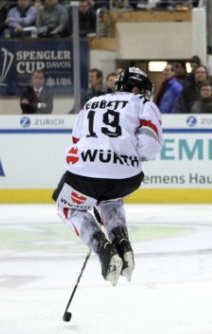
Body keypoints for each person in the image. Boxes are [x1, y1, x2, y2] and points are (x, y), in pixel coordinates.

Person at [51, 67, 163, 286]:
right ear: (136, 88)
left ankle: (101, 246)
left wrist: (97, 161)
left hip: (85, 171)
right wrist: (126, 155)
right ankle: (121, 241)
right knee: (110, 199)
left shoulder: (91, 103)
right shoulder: (143, 104)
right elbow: (150, 146)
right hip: (127, 177)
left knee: (67, 206)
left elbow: (77, 140)